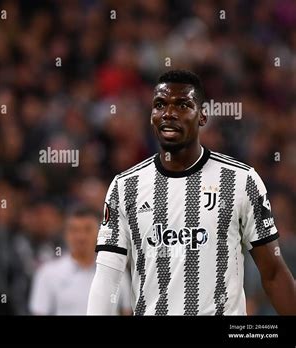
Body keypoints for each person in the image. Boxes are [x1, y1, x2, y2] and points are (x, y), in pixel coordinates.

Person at [87, 70, 295, 315]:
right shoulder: (124, 187)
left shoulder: (241, 180)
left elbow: (272, 272)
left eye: (182, 105)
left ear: (202, 116)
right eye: (160, 105)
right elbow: (107, 277)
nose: (169, 113)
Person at [30, 207, 132, 315]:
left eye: (87, 229)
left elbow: (126, 311)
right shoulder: (48, 273)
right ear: (66, 234)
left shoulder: (116, 271)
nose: (80, 237)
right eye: (74, 230)